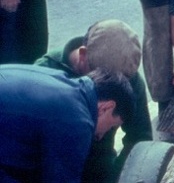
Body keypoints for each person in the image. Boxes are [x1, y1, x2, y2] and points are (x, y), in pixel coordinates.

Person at [35, 19, 151, 183]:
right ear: (83, 55)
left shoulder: (129, 79)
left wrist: (118, 177)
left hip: (98, 166)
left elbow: (139, 139)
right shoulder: (46, 72)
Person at [0, 65, 134, 183]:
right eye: (111, 127)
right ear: (106, 108)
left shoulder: (58, 78)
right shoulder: (78, 121)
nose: (101, 135)